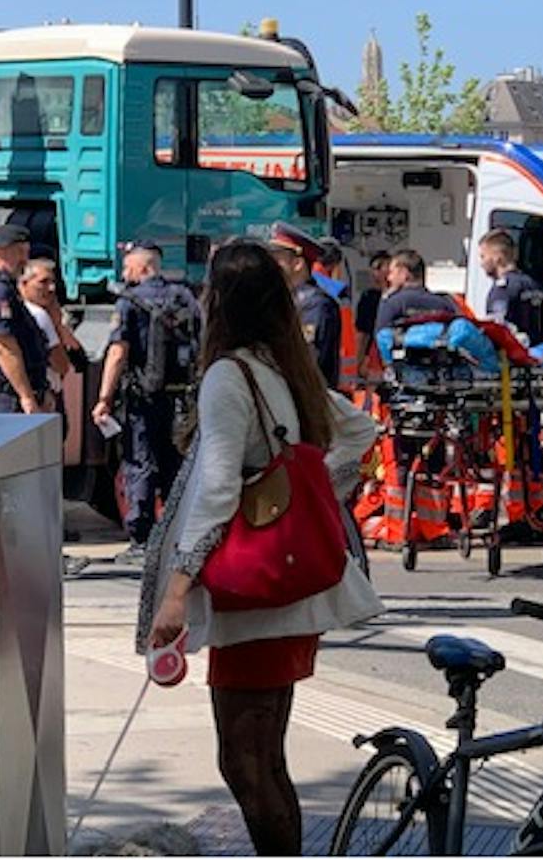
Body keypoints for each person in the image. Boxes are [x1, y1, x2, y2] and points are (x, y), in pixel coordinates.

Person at [137, 239, 383, 856]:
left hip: (255, 592)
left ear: (219, 301)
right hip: (293, 583)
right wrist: (315, 489)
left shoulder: (229, 375)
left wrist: (176, 591)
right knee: (265, 756)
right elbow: (361, 429)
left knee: (244, 761)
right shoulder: (283, 366)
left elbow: (219, 484)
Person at [92, 242, 202, 560]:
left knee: (140, 463)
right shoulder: (185, 297)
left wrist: (103, 398)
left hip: (142, 398)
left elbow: (118, 352)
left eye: (128, 268)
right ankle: (176, 531)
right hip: (180, 396)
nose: (124, 275)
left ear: (143, 268)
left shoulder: (129, 302)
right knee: (175, 463)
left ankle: (142, 539)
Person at [0, 225, 50, 415]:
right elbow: (4, 347)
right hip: (5, 398)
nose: (24, 260)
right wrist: (26, 397)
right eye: (18, 252)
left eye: (26, 252)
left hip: (14, 395)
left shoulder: (7, 288)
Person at [268, 222, 343, 390]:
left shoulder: (315, 305)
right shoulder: (286, 300)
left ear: (297, 264)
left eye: (277, 258)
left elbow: (308, 360)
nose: (271, 266)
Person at [20, 257, 77, 403]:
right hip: (42, 394)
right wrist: (56, 324)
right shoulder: (39, 315)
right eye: (43, 282)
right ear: (23, 284)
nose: (51, 288)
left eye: (53, 282)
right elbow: (62, 365)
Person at [479, 229, 543, 346]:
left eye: (483, 256)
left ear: (497, 257)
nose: (481, 263)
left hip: (512, 356)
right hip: (534, 353)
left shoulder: (503, 289)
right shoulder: (531, 283)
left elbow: (498, 327)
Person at [371, 249, 454, 343]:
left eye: (391, 272)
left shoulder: (393, 303)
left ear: (404, 273)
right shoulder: (445, 303)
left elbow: (380, 338)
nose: (389, 278)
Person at [354, 251, 392, 364]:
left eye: (380, 267)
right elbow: (362, 333)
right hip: (374, 355)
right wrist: (359, 361)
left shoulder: (402, 296)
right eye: (374, 269)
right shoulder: (369, 298)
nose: (376, 273)